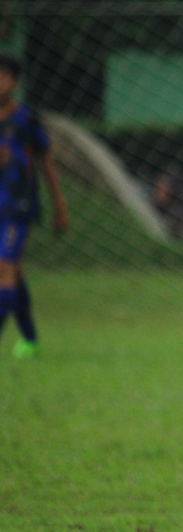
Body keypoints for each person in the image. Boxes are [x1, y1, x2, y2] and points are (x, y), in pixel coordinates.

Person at [0, 53, 70, 358]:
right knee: (14, 272)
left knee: (4, 267)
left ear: (14, 82)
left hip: (18, 205)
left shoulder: (25, 119)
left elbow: (46, 162)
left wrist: (59, 205)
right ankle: (29, 337)